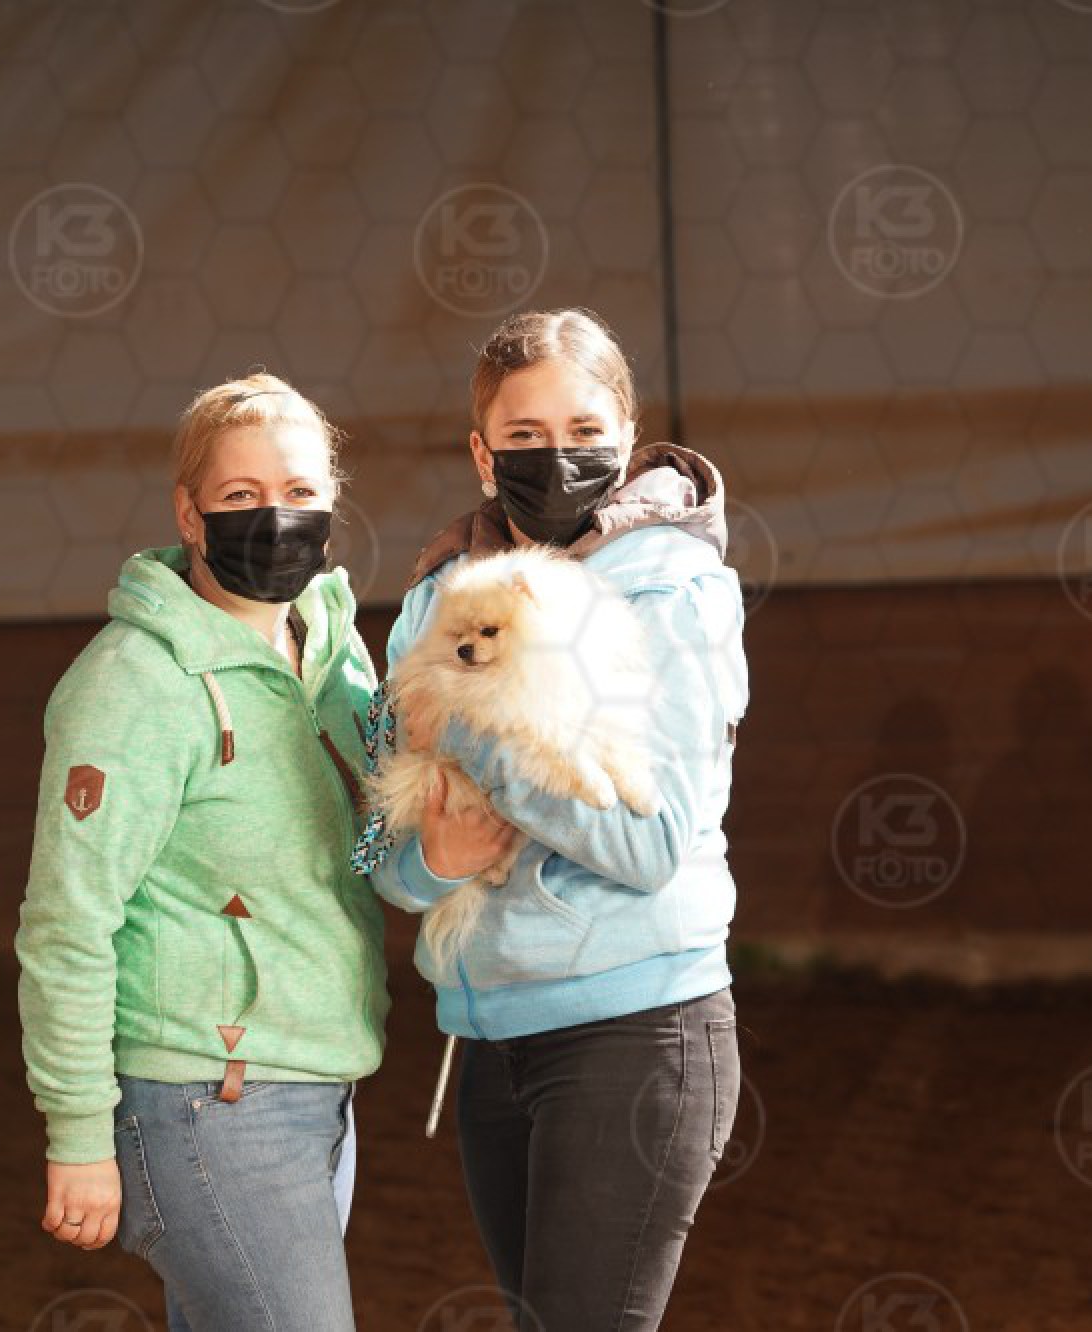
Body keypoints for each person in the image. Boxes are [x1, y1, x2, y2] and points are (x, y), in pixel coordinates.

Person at [367, 308, 750, 1331]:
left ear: (625, 437)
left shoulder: (670, 592)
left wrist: (479, 742)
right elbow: (383, 849)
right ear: (481, 454)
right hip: (490, 1039)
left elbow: (652, 843)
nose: (557, 456)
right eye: (525, 436)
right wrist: (431, 861)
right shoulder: (434, 602)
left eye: (583, 431)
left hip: (632, 1029)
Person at [13, 372, 387, 1332]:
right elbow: (67, 923)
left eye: (300, 492)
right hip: (204, 1098)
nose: (276, 517)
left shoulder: (337, 655)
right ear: (189, 513)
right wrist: (77, 1131)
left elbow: (377, 836)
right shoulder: (133, 683)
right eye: (240, 495)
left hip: (323, 1085)